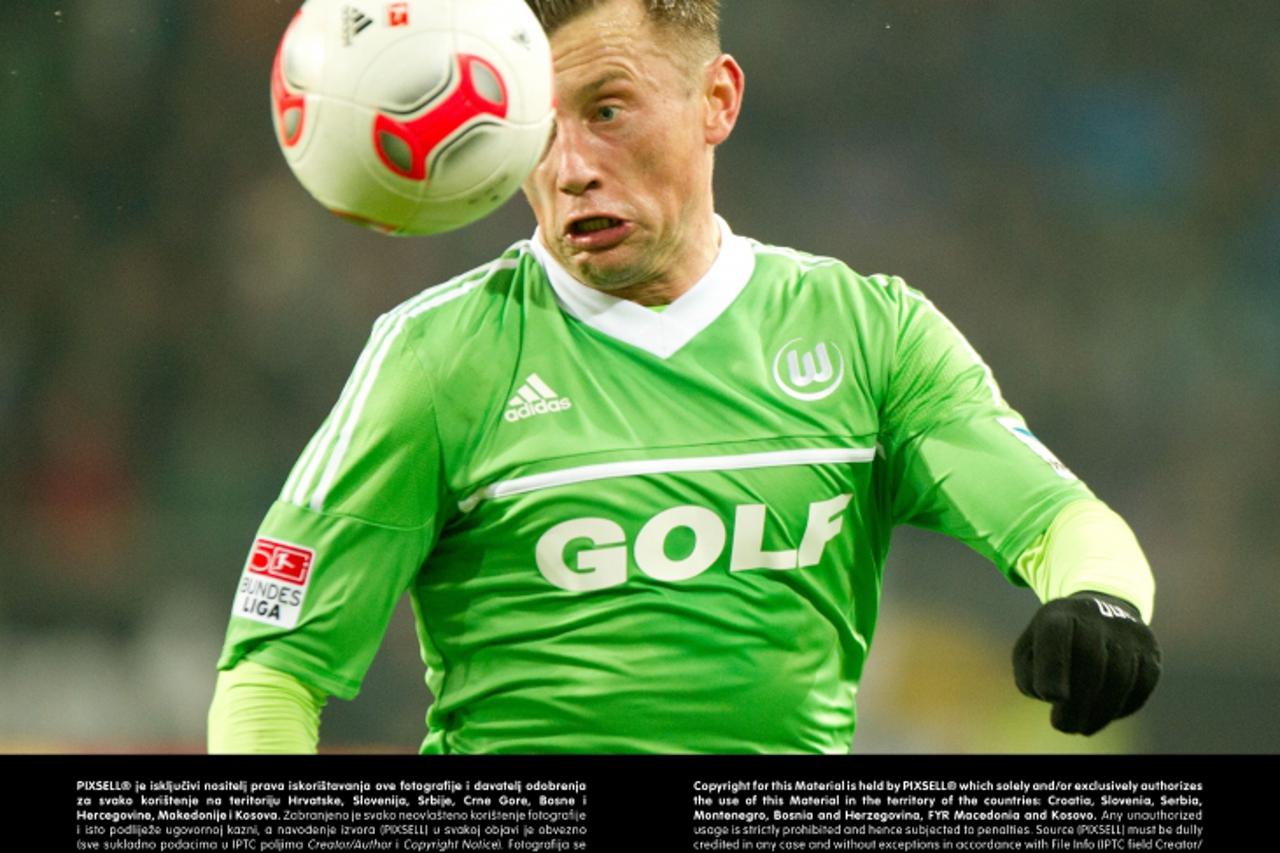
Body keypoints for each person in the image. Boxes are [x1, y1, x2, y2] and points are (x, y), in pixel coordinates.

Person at [209, 0, 1160, 754]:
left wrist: (1102, 603)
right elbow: (272, 670)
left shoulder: (869, 335)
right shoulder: (438, 356)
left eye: (608, 112)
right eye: (539, 129)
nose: (572, 167)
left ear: (718, 100)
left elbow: (1062, 523)